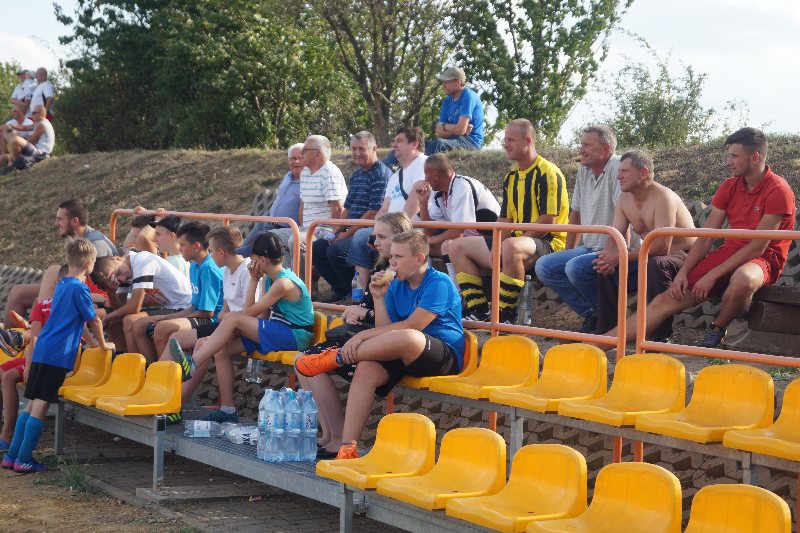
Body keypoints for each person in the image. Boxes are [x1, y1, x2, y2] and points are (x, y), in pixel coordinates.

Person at [606, 128, 796, 349]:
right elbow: (705, 237)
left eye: (734, 156)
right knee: (664, 300)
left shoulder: (778, 189)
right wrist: (683, 273)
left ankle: (717, 328)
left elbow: (757, 247)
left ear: (754, 157)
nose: (728, 162)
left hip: (764, 258)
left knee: (742, 279)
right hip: (729, 252)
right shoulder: (729, 186)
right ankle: (600, 343)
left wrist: (712, 275)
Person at [295, 231, 465, 460]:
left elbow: (413, 325)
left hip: (442, 356)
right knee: (366, 368)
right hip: (401, 352)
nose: (392, 262)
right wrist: (378, 298)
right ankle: (347, 449)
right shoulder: (395, 285)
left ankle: (337, 357)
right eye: (391, 256)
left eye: (399, 257)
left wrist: (362, 337)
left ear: (419, 258)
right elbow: (387, 328)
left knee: (409, 336)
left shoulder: (439, 282)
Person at [295, 212, 413, 458]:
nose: (375, 242)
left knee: (310, 363)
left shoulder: (402, 273)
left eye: (382, 237)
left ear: (401, 238)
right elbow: (372, 308)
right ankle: (329, 433)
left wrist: (365, 312)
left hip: (381, 343)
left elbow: (396, 321)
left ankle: (339, 437)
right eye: (374, 237)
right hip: (369, 335)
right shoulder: (381, 266)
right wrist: (355, 312)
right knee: (302, 361)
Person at [168, 232, 315, 420]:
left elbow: (248, 312)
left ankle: (192, 364)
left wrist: (253, 280)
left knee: (232, 319)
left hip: (294, 335)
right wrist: (240, 331)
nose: (249, 262)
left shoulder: (283, 283)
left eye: (252, 258)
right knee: (221, 349)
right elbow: (261, 316)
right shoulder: (269, 279)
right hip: (277, 330)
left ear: (262, 260)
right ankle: (227, 410)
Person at [1, 239, 113, 473]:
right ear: (88, 263)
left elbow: (78, 319)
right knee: (41, 404)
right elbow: (93, 319)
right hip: (57, 354)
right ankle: (24, 458)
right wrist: (104, 345)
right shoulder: (79, 288)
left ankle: (12, 456)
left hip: (43, 349)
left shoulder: (61, 285)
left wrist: (91, 343)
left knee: (31, 404)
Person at [448, 119, 569, 323]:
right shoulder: (511, 177)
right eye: (505, 140)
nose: (506, 145)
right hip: (517, 243)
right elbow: (504, 219)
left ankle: (506, 314)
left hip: (550, 243)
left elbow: (548, 221)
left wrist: (506, 246)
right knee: (456, 246)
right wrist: (497, 246)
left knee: (510, 246)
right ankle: (479, 310)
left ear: (528, 141)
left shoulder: (548, 172)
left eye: (511, 140)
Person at [592, 150, 696, 340]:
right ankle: (607, 333)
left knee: (655, 264)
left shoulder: (664, 197)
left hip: (684, 255)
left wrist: (619, 257)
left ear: (644, 172)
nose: (619, 176)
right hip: (650, 253)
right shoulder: (624, 200)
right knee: (603, 266)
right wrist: (607, 257)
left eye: (624, 171)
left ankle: (659, 337)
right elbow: (615, 235)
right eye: (618, 171)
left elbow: (663, 246)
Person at [155, 226, 255, 422]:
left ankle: (174, 404)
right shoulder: (227, 271)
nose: (209, 255)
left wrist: (229, 320)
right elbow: (224, 312)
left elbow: (250, 313)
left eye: (211, 250)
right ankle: (158, 392)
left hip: (242, 328)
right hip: (226, 325)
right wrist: (227, 319)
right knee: (175, 338)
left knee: (203, 345)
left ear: (221, 252)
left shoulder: (247, 271)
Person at [534, 125, 623, 333]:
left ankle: (610, 319)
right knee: (544, 266)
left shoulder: (619, 167)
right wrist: (568, 250)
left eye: (586, 145)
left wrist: (613, 251)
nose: (581, 150)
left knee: (575, 268)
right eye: (581, 144)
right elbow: (576, 213)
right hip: (590, 246)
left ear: (606, 149)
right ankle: (593, 314)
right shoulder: (585, 169)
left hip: (617, 248)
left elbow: (623, 213)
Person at [3, 199, 118, 327]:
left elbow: (97, 284)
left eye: (60, 219)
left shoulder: (94, 245)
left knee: (51, 276)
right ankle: (9, 337)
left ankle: (36, 329)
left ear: (74, 221)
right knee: (18, 292)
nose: (56, 223)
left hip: (99, 295)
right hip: (78, 287)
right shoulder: (75, 238)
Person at [126, 222, 224, 363]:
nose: (179, 248)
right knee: (143, 324)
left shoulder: (208, 268)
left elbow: (207, 312)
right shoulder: (194, 266)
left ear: (196, 246)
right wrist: (168, 317)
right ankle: (151, 369)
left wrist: (171, 319)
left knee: (162, 329)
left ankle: (167, 373)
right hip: (198, 314)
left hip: (212, 320)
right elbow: (194, 306)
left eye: (182, 245)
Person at [313, 132, 390, 303]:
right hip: (350, 228)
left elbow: (373, 212)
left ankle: (354, 293)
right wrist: (337, 230)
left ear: (374, 149)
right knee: (317, 248)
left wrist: (346, 234)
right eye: (354, 149)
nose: (357, 153)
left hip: (368, 230)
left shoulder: (381, 174)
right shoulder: (356, 174)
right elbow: (347, 207)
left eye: (361, 149)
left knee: (335, 251)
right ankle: (340, 290)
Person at [0, 264, 69, 453]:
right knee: (5, 374)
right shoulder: (44, 305)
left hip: (53, 360)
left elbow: (94, 318)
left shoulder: (69, 306)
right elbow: (36, 341)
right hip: (39, 356)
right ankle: (16, 452)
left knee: (29, 397)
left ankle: (10, 441)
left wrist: (97, 343)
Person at [348, 126, 427, 289]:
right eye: (394, 141)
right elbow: (383, 209)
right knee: (365, 237)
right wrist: (377, 230)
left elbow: (414, 205)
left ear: (414, 144)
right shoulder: (396, 175)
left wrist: (392, 230)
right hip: (393, 227)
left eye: (399, 141)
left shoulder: (422, 164)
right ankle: (360, 292)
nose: (394, 145)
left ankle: (377, 289)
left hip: (412, 228)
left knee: (362, 236)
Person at [91, 249, 192, 353]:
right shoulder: (124, 270)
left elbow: (134, 308)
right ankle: (122, 358)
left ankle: (141, 362)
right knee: (116, 323)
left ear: (117, 258)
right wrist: (111, 291)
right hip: (169, 307)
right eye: (117, 278)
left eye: (118, 273)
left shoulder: (142, 261)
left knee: (130, 321)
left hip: (184, 305)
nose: (122, 278)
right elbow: (120, 307)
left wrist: (107, 317)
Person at [416, 153, 500, 263]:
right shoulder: (438, 192)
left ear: (435, 174)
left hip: (494, 240)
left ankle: (457, 276)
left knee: (448, 246)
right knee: (421, 249)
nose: (425, 179)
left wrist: (430, 240)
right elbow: (430, 231)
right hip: (474, 239)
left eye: (426, 174)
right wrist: (423, 202)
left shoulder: (461, 186)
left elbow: (458, 232)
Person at [237, 143, 304, 258]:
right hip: (268, 219)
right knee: (244, 248)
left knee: (250, 251)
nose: (296, 162)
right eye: (292, 158)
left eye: (300, 158)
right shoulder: (288, 176)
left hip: (285, 227)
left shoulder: (308, 181)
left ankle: (232, 259)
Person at [293, 135, 348, 270]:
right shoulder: (305, 172)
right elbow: (303, 205)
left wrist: (332, 234)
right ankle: (286, 280)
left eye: (305, 150)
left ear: (318, 154)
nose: (301, 153)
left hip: (323, 230)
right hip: (306, 228)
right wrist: (302, 228)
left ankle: (301, 283)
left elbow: (337, 209)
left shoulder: (328, 172)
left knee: (295, 240)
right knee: (273, 238)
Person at [426, 65, 484, 155]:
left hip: (470, 142)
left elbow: (460, 130)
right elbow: (438, 132)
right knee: (422, 145)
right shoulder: (446, 101)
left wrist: (445, 127)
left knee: (438, 144)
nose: (443, 85)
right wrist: (451, 129)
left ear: (457, 82)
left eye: (446, 82)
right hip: (452, 139)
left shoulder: (468, 96)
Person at [1, 105, 55, 173]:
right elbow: (24, 128)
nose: (32, 115)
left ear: (41, 113)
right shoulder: (39, 123)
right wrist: (11, 126)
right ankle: (10, 160)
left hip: (40, 154)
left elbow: (31, 140)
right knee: (5, 135)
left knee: (14, 140)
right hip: (36, 150)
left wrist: (18, 138)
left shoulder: (42, 125)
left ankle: (13, 164)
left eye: (34, 113)